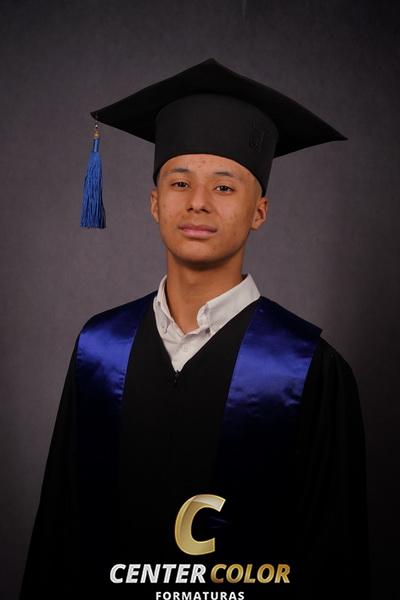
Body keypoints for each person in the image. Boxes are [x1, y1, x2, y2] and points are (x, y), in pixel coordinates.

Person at [20, 58, 370, 600]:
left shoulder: (306, 371)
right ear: (155, 203)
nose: (198, 202)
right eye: (180, 182)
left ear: (259, 211)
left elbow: (333, 565)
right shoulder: (100, 351)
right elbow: (59, 541)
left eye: (224, 188)